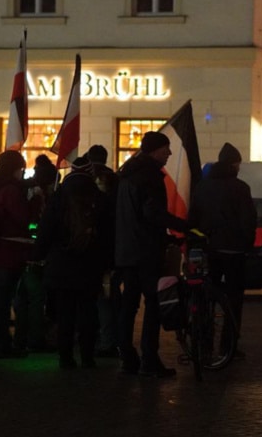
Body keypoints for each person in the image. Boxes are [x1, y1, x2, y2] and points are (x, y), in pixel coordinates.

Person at [115, 131, 188, 377]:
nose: (169, 153)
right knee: (154, 304)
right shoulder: (150, 176)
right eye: (166, 149)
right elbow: (153, 214)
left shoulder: (127, 175)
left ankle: (127, 357)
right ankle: (150, 359)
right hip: (146, 251)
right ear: (155, 150)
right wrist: (182, 227)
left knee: (129, 305)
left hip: (127, 250)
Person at [36, 156, 112, 369]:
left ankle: (65, 357)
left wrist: (39, 255)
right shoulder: (99, 198)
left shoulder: (59, 196)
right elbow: (108, 234)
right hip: (90, 264)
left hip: (61, 263)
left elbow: (46, 230)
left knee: (65, 314)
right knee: (88, 311)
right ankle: (87, 356)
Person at [189, 142, 257, 355]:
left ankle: (204, 340)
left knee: (206, 296)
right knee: (234, 299)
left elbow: (194, 217)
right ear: (234, 165)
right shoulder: (240, 188)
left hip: (209, 249)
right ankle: (228, 345)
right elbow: (248, 220)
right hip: (234, 250)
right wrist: (247, 244)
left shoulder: (202, 187)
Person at [0, 150, 39, 358]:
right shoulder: (10, 190)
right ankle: (1, 345)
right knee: (2, 301)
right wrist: (35, 202)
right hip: (6, 252)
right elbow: (23, 218)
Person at [14, 153, 57, 351]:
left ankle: (22, 337)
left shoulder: (25, 190)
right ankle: (34, 338)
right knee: (35, 296)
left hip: (23, 252)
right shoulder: (39, 197)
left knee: (23, 297)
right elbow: (34, 223)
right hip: (33, 254)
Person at [85, 144, 121, 358]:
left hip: (92, 249)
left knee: (98, 297)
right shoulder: (116, 180)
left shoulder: (86, 180)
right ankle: (112, 338)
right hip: (112, 248)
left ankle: (103, 339)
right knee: (109, 295)